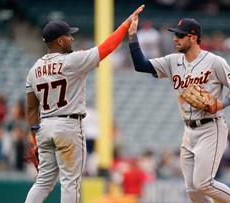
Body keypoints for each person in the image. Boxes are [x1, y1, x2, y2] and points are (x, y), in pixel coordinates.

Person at [24, 5, 145, 203]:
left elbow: (31, 107)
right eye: (68, 35)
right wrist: (125, 25)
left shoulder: (34, 69)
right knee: (70, 182)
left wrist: (35, 139)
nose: (72, 38)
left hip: (44, 127)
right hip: (68, 126)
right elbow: (106, 48)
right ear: (59, 40)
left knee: (43, 182)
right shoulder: (73, 60)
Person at [128, 17, 230, 203]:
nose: (175, 38)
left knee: (204, 183)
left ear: (193, 37)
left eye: (179, 35)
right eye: (174, 35)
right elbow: (141, 65)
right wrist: (132, 35)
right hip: (188, 131)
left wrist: (222, 103)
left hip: (211, 126)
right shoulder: (173, 61)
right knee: (193, 190)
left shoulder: (214, 61)